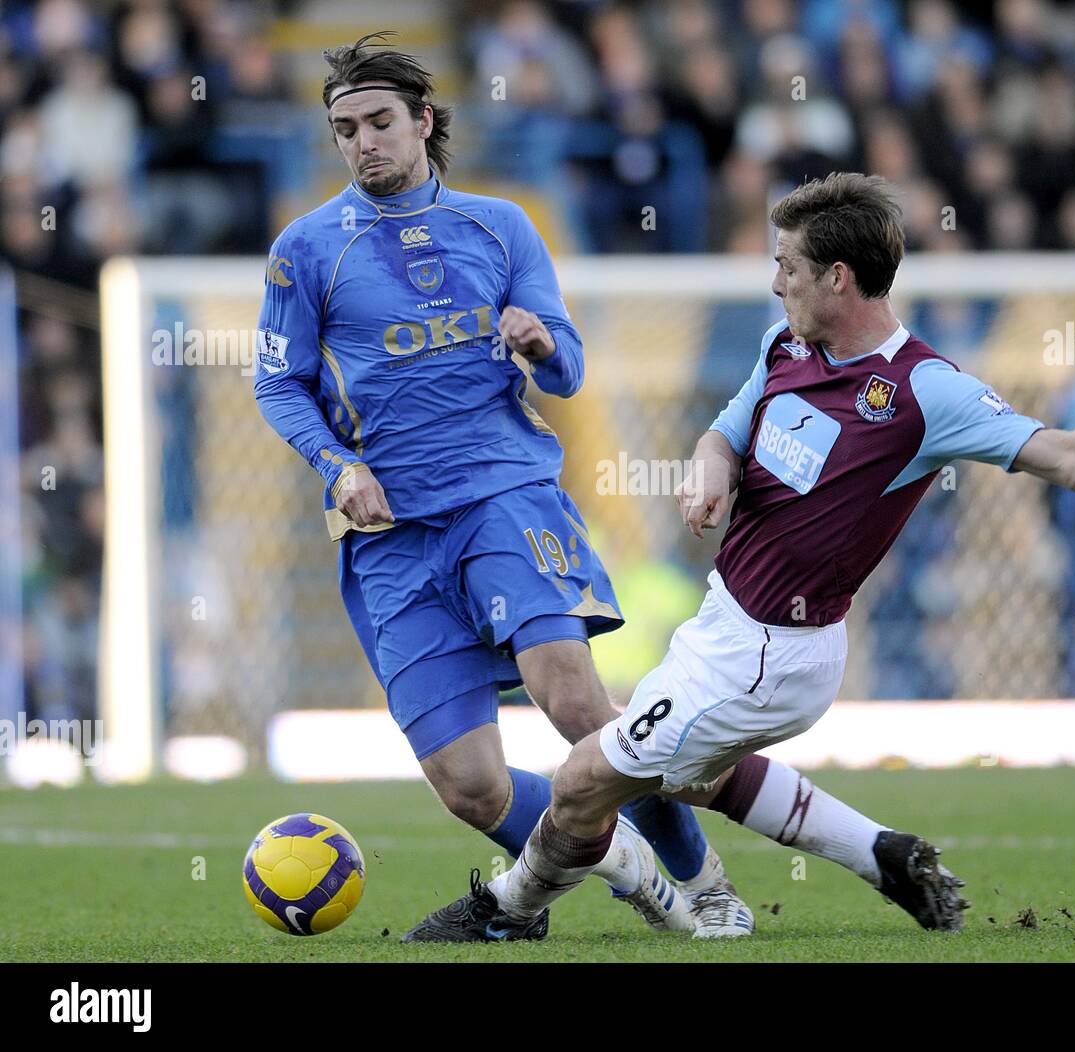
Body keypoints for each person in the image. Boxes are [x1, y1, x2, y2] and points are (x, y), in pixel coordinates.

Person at [401, 172, 1075, 942]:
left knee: (584, 781)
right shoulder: (783, 350)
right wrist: (710, 475)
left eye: (785, 266)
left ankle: (509, 912)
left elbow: (1072, 461)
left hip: (773, 654)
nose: (773, 282)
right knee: (686, 774)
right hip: (722, 623)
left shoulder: (924, 390)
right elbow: (723, 430)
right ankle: (882, 854)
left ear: (837, 277)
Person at [252, 32, 750, 940]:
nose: (363, 142)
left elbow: (567, 374)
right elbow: (277, 382)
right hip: (391, 532)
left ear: (424, 123)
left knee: (577, 705)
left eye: (379, 122)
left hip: (503, 497)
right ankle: (629, 871)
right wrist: (340, 465)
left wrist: (541, 341)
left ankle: (706, 885)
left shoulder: (502, 225)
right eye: (344, 128)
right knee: (470, 787)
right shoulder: (306, 249)